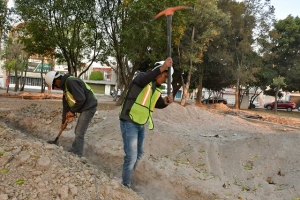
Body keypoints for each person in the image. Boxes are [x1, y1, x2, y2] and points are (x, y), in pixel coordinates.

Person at [119, 57, 174, 188]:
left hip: (141, 123)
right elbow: (145, 78)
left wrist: (165, 102)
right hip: (129, 121)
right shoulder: (142, 78)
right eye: (165, 76)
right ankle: (125, 185)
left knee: (139, 154)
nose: (165, 80)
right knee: (131, 156)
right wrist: (163, 66)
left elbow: (156, 104)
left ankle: (127, 177)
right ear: (159, 72)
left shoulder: (156, 88)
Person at [44, 71, 98, 157]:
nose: (57, 87)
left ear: (57, 80)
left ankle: (76, 153)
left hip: (89, 106)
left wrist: (72, 111)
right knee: (78, 130)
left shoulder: (71, 82)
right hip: (84, 106)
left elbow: (81, 99)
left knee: (79, 131)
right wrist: (63, 122)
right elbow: (66, 107)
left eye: (55, 85)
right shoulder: (66, 88)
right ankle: (75, 151)